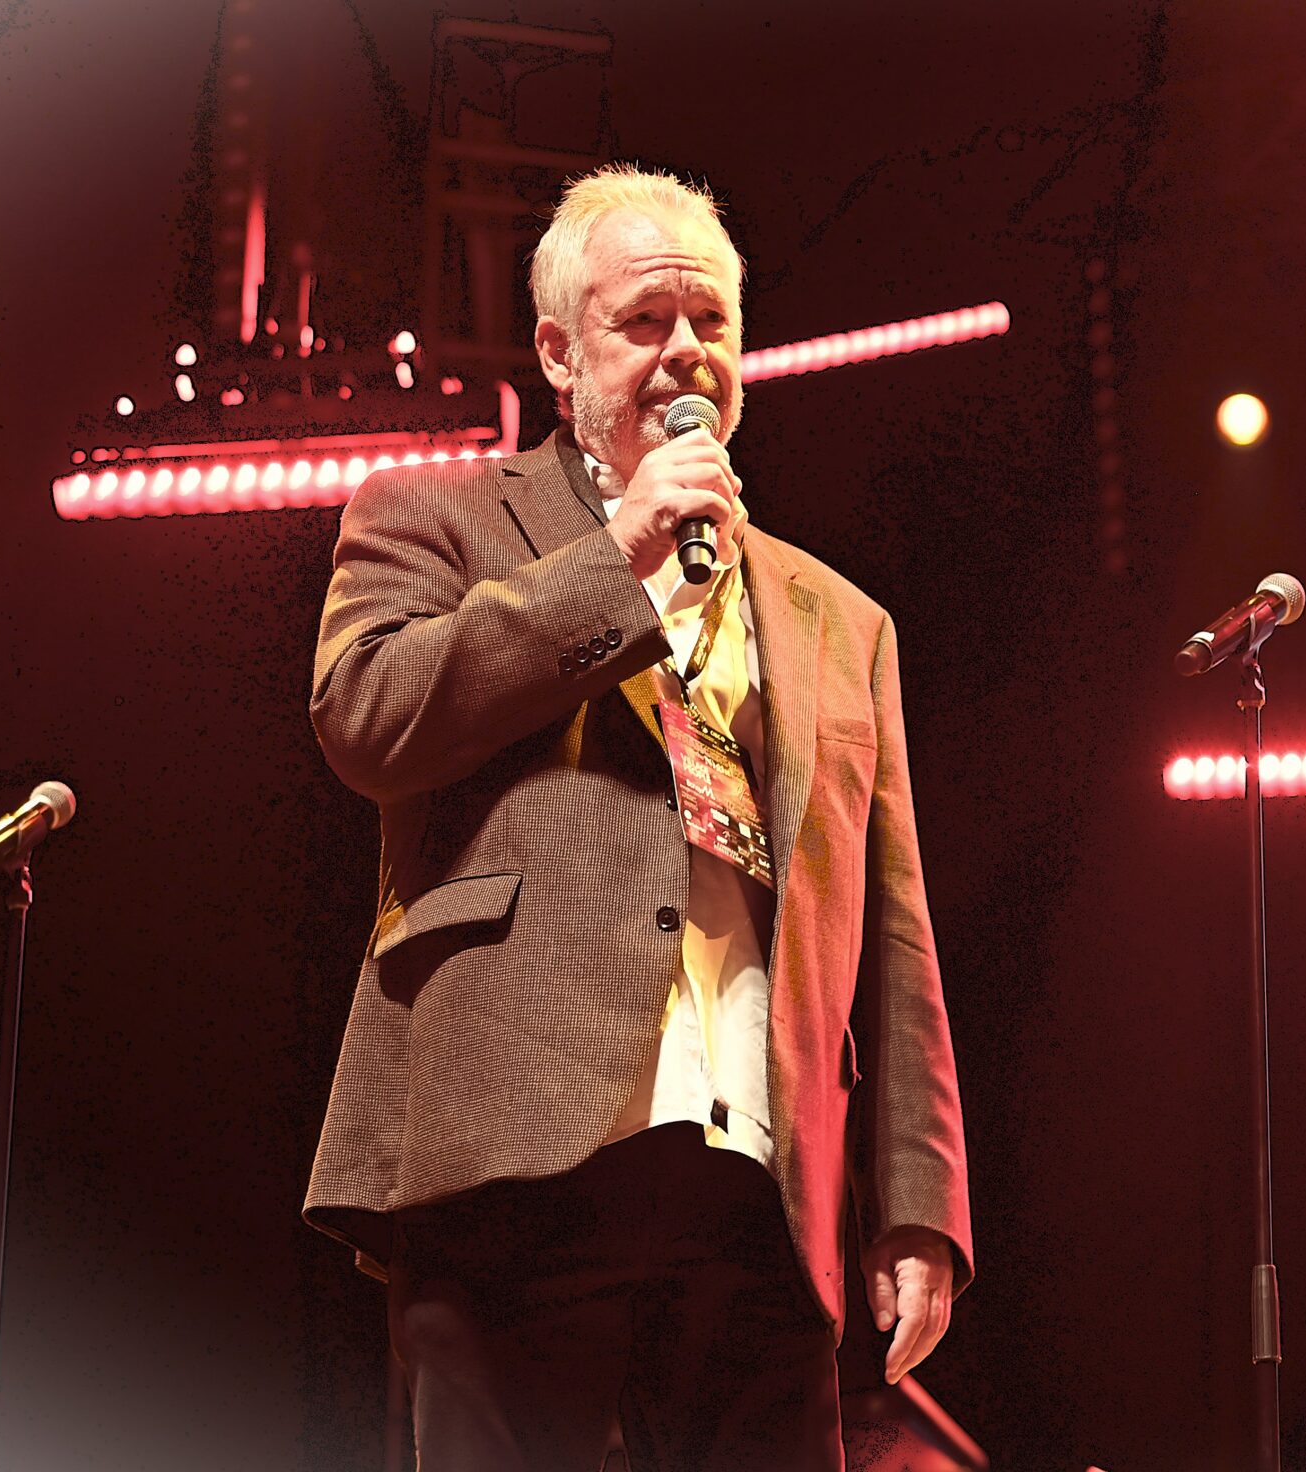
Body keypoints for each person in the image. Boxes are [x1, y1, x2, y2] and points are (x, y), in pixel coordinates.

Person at [303, 165, 970, 1471]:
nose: (685, 352)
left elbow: (893, 929)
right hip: (517, 1147)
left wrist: (918, 1203)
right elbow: (366, 719)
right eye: (644, 322)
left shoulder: (842, 619)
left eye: (711, 322)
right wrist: (620, 557)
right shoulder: (436, 515)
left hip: (759, 1176)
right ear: (560, 353)